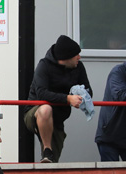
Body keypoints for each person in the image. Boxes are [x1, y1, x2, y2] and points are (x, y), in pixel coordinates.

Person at [24, 35, 93, 163]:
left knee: (52, 161)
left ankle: (49, 158)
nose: (79, 57)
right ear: (66, 57)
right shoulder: (44, 65)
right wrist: (68, 99)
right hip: (35, 112)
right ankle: (47, 149)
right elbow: (41, 94)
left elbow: (89, 91)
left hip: (58, 118)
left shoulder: (78, 67)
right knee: (45, 109)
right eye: (76, 55)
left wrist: (81, 96)